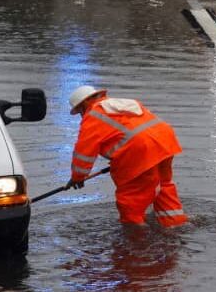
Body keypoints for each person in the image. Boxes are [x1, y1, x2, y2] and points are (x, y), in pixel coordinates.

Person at [67, 85, 187, 228]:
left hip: (140, 151)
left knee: (130, 201)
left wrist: (77, 178)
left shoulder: (93, 114)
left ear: (85, 103)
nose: (81, 115)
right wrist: (121, 158)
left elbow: (84, 153)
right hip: (165, 142)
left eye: (80, 111)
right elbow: (128, 131)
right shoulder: (123, 103)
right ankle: (176, 226)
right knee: (163, 187)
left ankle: (135, 240)